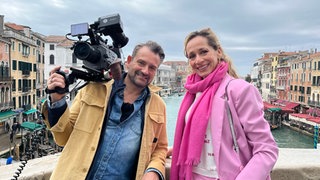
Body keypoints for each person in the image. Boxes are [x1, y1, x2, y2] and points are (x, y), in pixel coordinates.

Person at [42, 41, 168, 180]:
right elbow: (63, 138)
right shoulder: (92, 89)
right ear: (129, 61)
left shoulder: (158, 105)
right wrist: (57, 99)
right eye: (141, 63)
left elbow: (160, 149)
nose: (145, 71)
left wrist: (154, 170)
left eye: (152, 68)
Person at [170, 28, 279, 180]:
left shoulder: (240, 90)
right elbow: (200, 135)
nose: (198, 60)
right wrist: (178, 149)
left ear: (218, 51)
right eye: (192, 56)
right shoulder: (192, 93)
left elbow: (267, 149)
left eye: (203, 52)